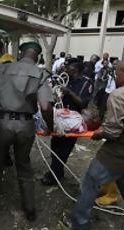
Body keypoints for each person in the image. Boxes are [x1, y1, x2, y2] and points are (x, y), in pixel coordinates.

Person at [69, 56, 124, 230]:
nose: (115, 77)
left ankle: (80, 227)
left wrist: (98, 133)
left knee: (90, 183)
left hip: (119, 154)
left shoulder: (120, 95)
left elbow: (113, 132)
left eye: (117, 74)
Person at [0, 41, 54, 221]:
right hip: (25, 125)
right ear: (38, 56)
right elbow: (46, 106)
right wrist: (50, 127)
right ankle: (29, 209)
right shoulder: (40, 73)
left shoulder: (3, 69)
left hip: (1, 124)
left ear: (21, 53)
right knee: (24, 166)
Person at [41, 58, 93, 186]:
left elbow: (83, 103)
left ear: (74, 69)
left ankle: (54, 175)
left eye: (67, 67)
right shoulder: (65, 80)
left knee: (64, 149)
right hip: (60, 117)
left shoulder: (86, 83)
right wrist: (56, 96)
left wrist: (68, 92)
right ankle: (57, 172)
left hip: (74, 121)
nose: (65, 69)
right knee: (55, 146)